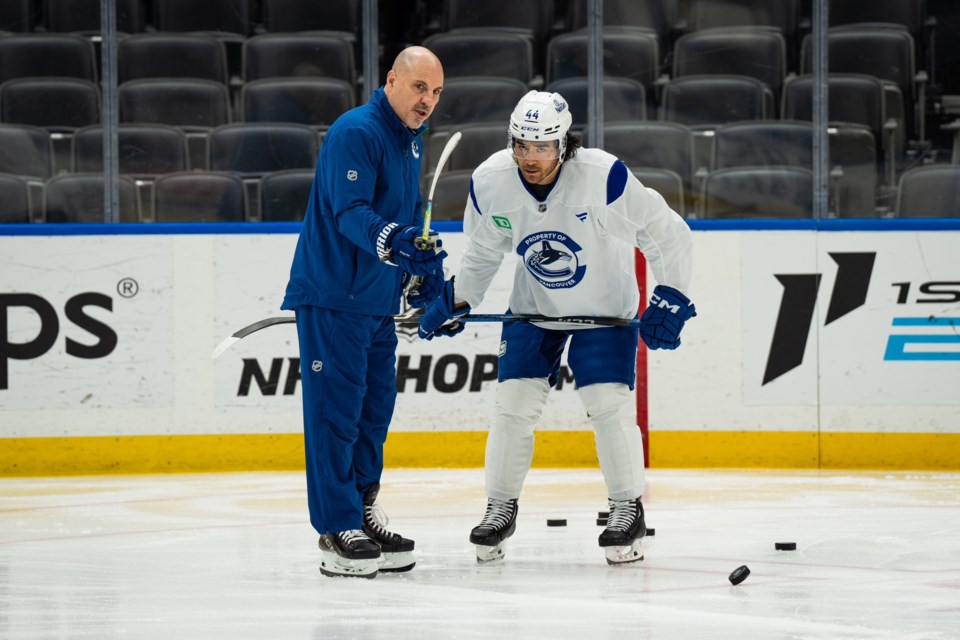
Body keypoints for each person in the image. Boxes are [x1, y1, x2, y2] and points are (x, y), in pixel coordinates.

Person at [418, 90, 695, 565]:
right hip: (534, 309)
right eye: (521, 145)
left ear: (564, 144)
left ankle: (628, 507)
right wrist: (459, 298)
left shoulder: (602, 177)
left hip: (603, 310)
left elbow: (666, 232)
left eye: (542, 146)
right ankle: (499, 507)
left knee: (607, 405)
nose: (530, 157)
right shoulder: (491, 181)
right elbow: (483, 252)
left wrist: (671, 295)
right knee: (512, 408)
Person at [281, 46, 447, 579]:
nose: (428, 102)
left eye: (437, 93)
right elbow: (350, 212)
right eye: (420, 88)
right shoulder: (357, 131)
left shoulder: (410, 143)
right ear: (392, 80)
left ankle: (362, 509)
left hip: (374, 301)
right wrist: (395, 241)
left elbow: (402, 225)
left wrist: (420, 271)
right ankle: (336, 525)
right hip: (333, 297)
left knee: (373, 411)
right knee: (335, 413)